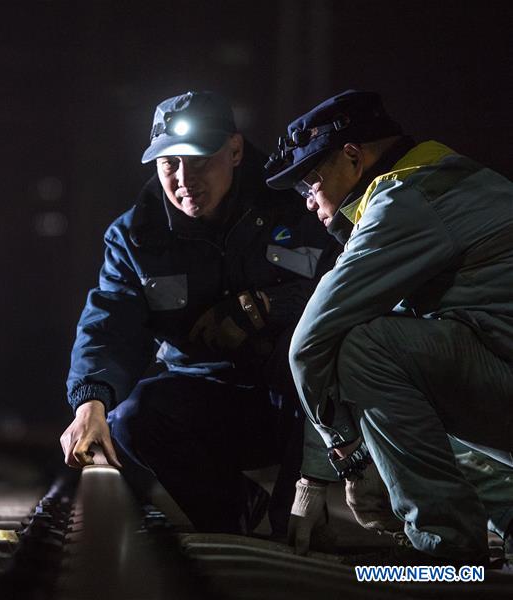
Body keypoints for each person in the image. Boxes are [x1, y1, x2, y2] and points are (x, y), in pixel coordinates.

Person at [60, 90, 341, 535]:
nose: (184, 178)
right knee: (131, 417)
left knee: (315, 374)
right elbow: (111, 323)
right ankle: (234, 518)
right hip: (207, 401)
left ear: (234, 151)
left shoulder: (301, 206)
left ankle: (295, 521)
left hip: (300, 401)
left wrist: (265, 308)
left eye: (200, 160)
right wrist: (90, 400)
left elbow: (349, 290)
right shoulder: (135, 238)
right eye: (169, 163)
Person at [264, 89, 513, 564]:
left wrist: (350, 459)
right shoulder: (444, 178)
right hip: (500, 371)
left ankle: (450, 557)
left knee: (369, 347)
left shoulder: (405, 200)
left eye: (310, 182)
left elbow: (310, 342)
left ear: (353, 156)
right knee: (409, 361)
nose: (308, 201)